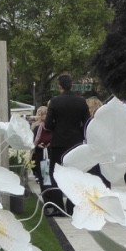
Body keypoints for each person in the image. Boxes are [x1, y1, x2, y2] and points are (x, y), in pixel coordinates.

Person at [42, 74, 89, 215]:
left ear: (60, 85)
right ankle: (72, 205)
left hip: (59, 143)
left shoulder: (55, 102)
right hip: (76, 142)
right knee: (75, 174)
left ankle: (58, 206)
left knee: (56, 174)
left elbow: (48, 125)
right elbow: (87, 122)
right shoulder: (81, 101)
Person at [30, 105, 51, 189]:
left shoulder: (50, 126)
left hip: (49, 153)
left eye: (43, 114)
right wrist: (37, 145)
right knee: (43, 177)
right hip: (39, 153)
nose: (41, 116)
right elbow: (33, 140)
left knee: (49, 176)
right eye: (39, 114)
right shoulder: (36, 127)